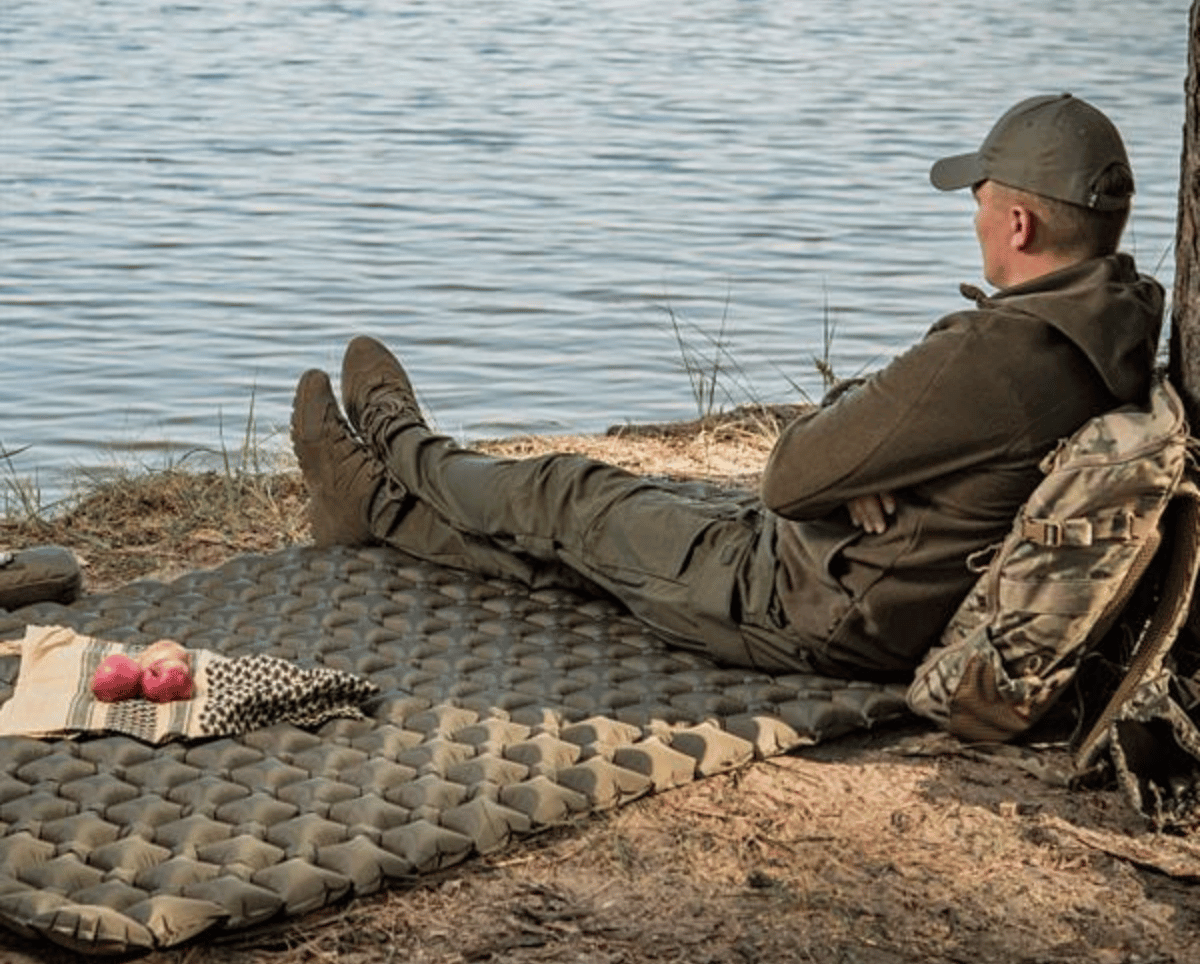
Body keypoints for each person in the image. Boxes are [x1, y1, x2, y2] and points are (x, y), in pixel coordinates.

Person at [291, 93, 1163, 682]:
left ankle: (399, 445)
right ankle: (373, 508)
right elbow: (902, 448)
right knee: (579, 558)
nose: (971, 216)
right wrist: (873, 466)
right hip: (868, 587)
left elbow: (790, 474)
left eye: (977, 197)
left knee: (567, 494)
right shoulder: (1115, 320)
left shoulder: (995, 353)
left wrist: (853, 454)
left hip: (806, 603)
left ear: (1018, 221)